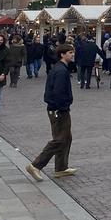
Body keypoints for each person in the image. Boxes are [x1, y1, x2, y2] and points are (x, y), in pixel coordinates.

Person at [25, 44, 78, 181]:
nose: (72, 55)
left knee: (66, 137)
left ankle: (61, 167)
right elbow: (58, 92)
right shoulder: (61, 71)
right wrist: (63, 106)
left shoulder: (60, 68)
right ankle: (36, 165)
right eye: (70, 52)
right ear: (62, 54)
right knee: (60, 139)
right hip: (58, 109)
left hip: (58, 108)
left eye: (73, 52)